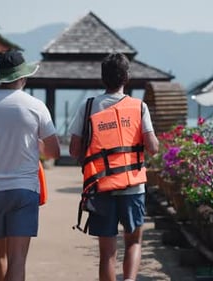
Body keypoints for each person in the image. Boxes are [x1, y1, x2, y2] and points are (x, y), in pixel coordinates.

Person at [0, 50, 60, 281]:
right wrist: (34, 146)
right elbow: (53, 152)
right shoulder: (36, 106)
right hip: (23, 189)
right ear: (22, 78)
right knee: (17, 258)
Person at [68, 52, 159, 281]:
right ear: (126, 78)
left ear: (102, 78)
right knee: (133, 242)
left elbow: (73, 150)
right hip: (132, 188)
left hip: (101, 186)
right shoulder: (139, 107)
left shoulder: (88, 107)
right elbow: (153, 147)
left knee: (107, 253)